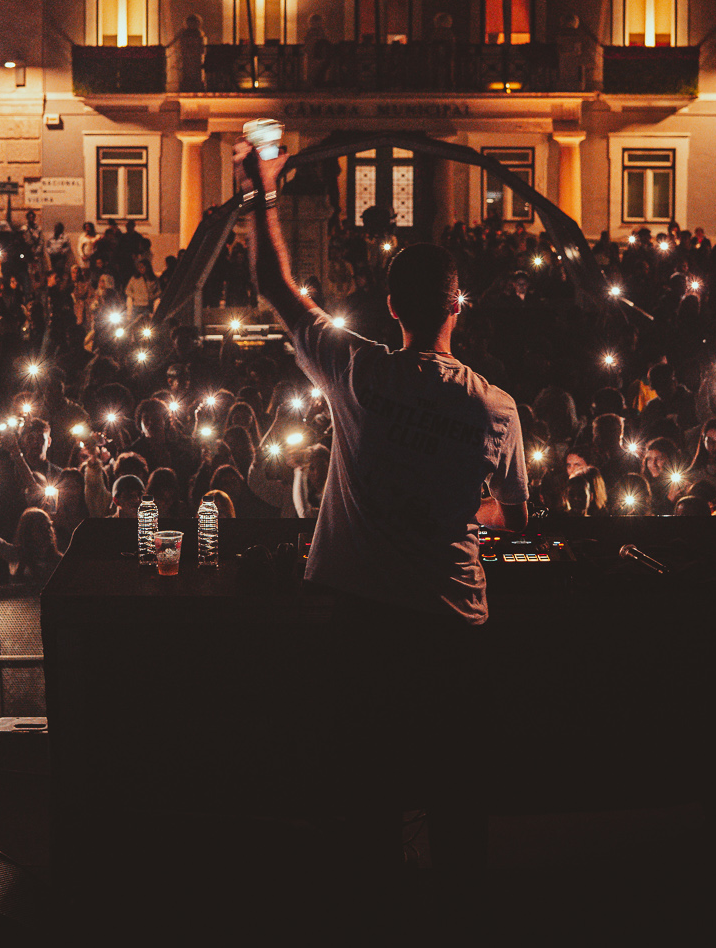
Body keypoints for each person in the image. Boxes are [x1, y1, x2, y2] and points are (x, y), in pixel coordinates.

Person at [234, 134, 529, 885]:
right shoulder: (497, 406)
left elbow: (275, 285)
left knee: (369, 795)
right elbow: (513, 518)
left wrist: (261, 188)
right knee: (456, 797)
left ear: (391, 306)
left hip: (364, 620)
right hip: (456, 625)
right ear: (458, 304)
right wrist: (459, 509)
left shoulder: (359, 371)